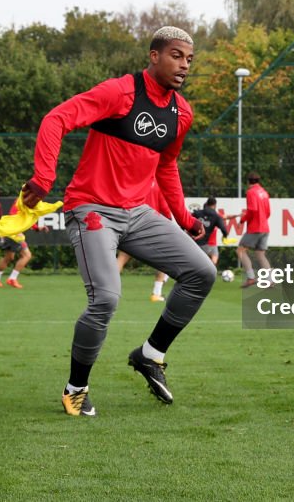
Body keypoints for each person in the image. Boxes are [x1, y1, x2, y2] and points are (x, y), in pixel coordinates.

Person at [19, 26, 214, 417]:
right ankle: (75, 389)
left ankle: (150, 354)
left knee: (202, 272)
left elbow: (168, 165)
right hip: (91, 209)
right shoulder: (120, 92)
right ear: (154, 55)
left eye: (189, 59)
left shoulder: (182, 112)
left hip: (138, 213)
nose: (184, 65)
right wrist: (43, 177)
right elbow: (56, 119)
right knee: (106, 298)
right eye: (176, 55)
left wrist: (185, 218)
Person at [117, 180, 174, 302]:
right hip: (151, 225)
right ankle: (156, 293)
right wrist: (168, 223)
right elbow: (164, 207)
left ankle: (110, 291)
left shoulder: (132, 181)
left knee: (121, 258)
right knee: (163, 259)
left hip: (130, 222)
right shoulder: (157, 184)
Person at [231, 172, 271, 288]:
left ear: (248, 181)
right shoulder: (264, 192)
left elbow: (252, 210)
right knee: (260, 254)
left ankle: (251, 277)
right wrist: (262, 220)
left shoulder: (251, 192)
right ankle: (270, 280)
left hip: (255, 227)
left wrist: (243, 220)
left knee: (240, 251)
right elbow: (268, 212)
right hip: (265, 227)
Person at [0, 198, 44, 289]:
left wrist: (37, 228)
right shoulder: (23, 200)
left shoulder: (27, 201)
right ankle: (12, 279)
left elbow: (26, 218)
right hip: (14, 232)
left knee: (9, 257)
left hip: (10, 231)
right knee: (27, 255)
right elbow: (13, 214)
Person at [192, 196, 229, 267]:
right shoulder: (216, 216)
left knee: (198, 263)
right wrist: (225, 236)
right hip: (206, 243)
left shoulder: (197, 213)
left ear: (207, 203)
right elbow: (224, 229)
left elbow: (187, 221)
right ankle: (210, 270)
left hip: (195, 243)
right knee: (214, 255)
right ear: (215, 205)